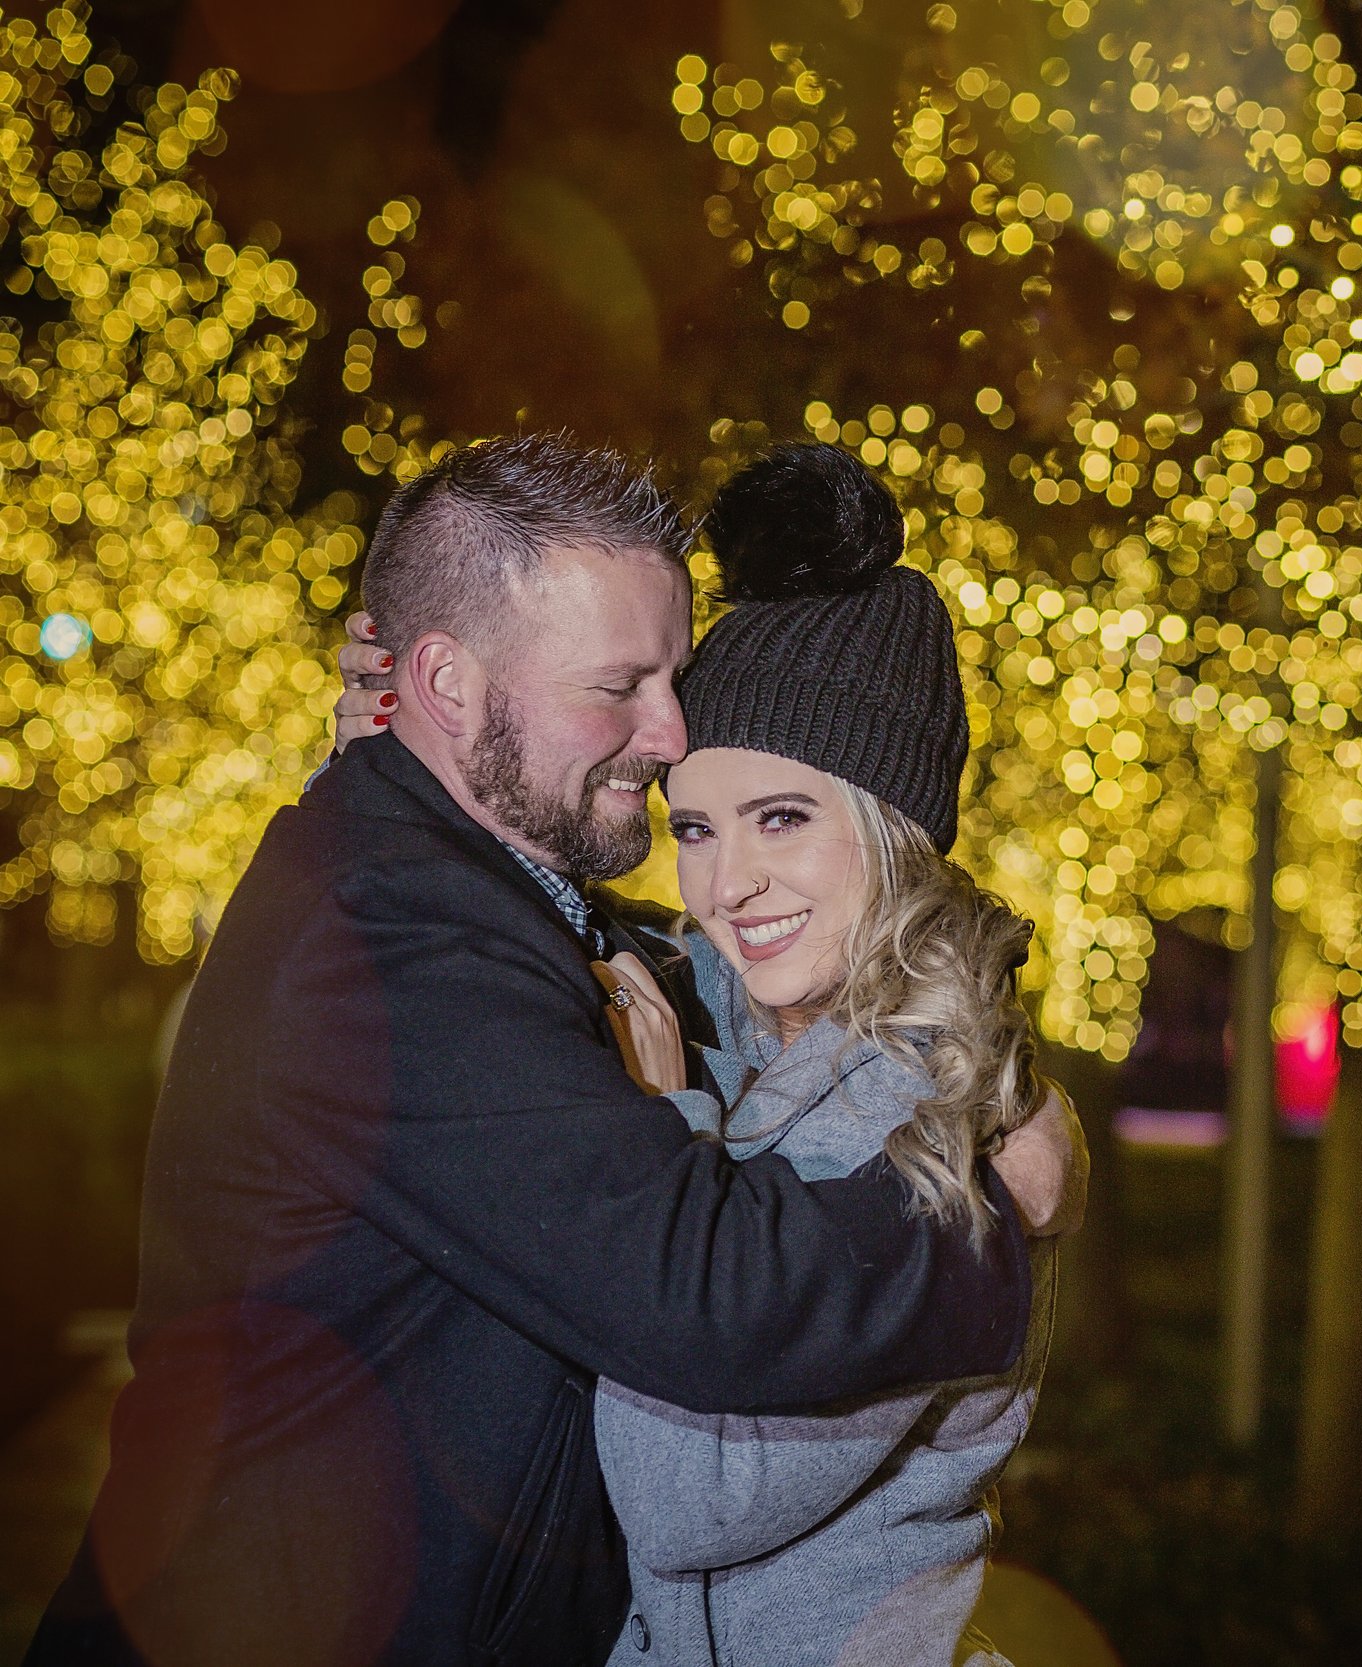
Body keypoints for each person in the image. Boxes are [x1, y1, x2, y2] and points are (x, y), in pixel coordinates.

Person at [24, 435, 1080, 1667]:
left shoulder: (490, 901)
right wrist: (996, 1201)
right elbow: (706, 1290)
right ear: (448, 682)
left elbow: (722, 961)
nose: (667, 730)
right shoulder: (386, 935)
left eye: (673, 677)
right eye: (618, 685)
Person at [583, 442, 1052, 1666]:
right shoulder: (732, 1013)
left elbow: (686, 1504)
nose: (729, 883)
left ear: (893, 829)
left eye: (782, 817)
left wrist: (663, 1130)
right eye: (695, 827)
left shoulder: (923, 1139)